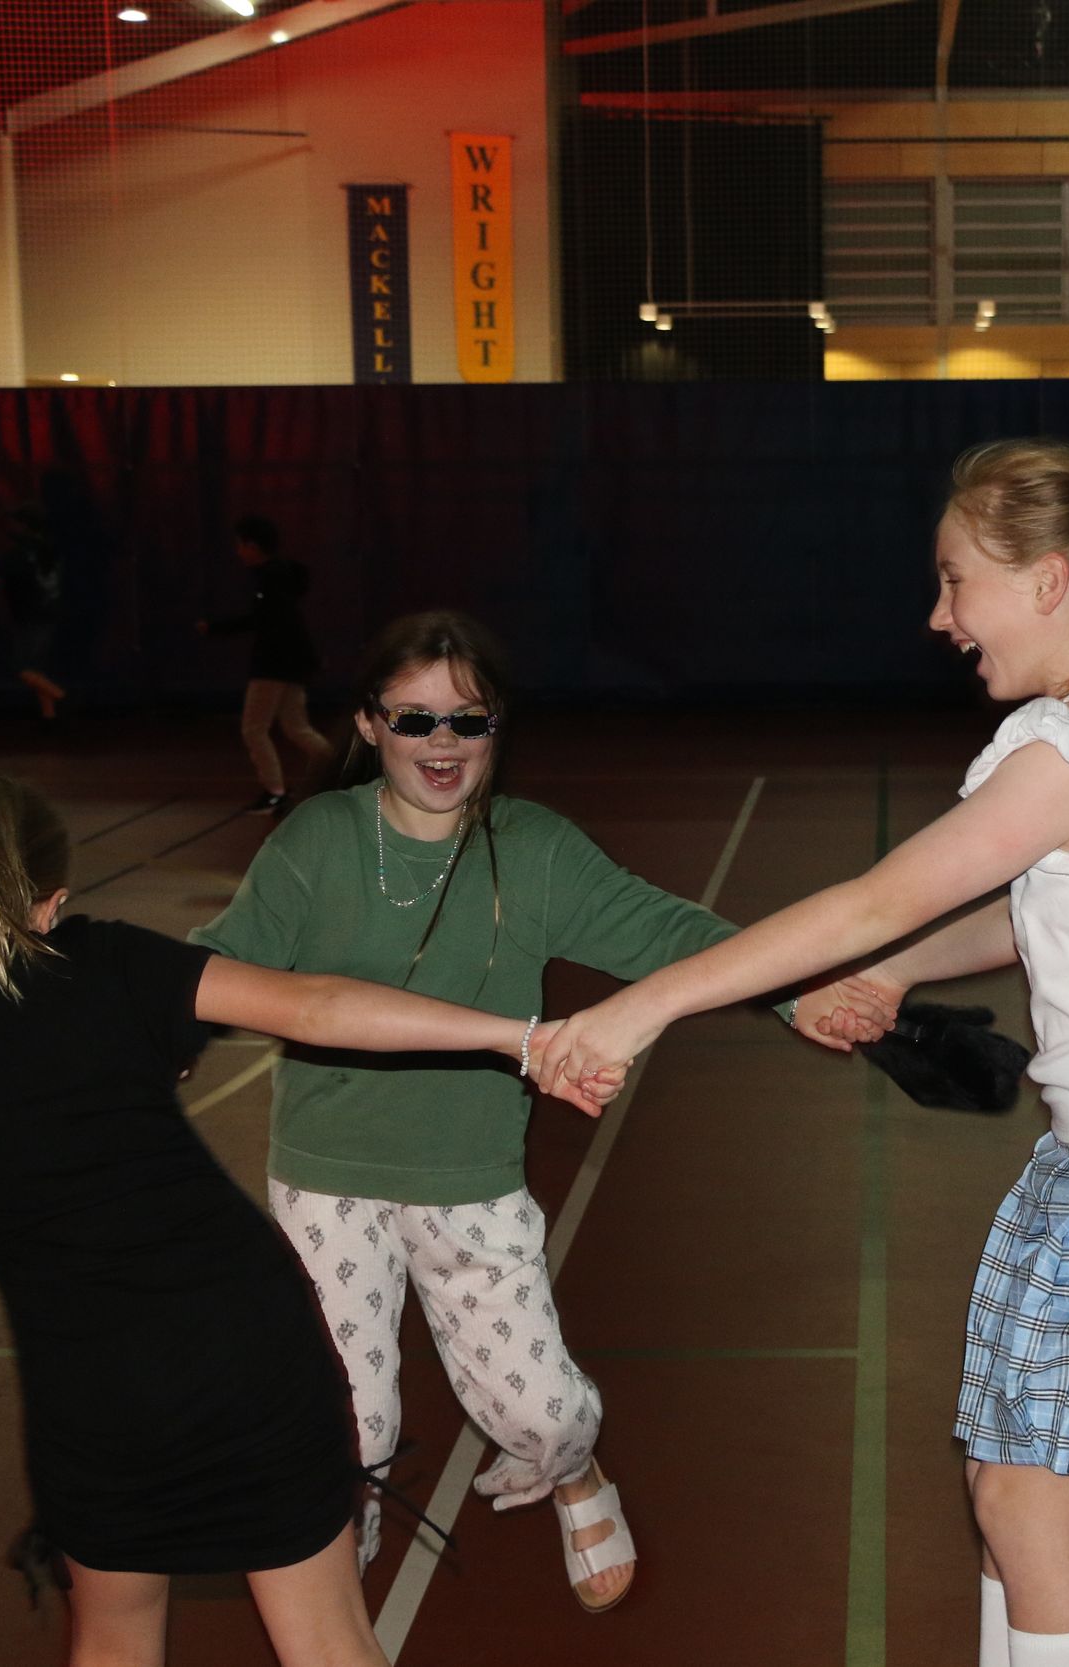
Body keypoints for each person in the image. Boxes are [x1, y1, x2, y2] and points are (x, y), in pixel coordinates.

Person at [537, 440, 1069, 1667]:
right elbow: (1036, 911)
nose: (938, 616)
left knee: (1024, 1498)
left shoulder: (1066, 746)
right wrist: (894, 975)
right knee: (1003, 1481)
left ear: (1047, 580)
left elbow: (869, 899)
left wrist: (640, 1009)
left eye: (956, 580)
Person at [0, 771, 616, 1667]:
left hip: (87, 1387)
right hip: (244, 1352)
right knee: (327, 1643)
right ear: (49, 905)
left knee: (112, 1640)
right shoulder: (105, 964)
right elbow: (317, 1005)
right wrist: (517, 1038)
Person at [189, 610, 795, 1611]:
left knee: (543, 1413)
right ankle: (338, 1584)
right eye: (414, 719)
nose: (442, 743)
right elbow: (223, 958)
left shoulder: (534, 849)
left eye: (467, 721)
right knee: (346, 1427)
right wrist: (140, 1022)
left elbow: (666, 931)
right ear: (369, 724)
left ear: (496, 728)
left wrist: (801, 985)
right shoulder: (318, 839)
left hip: (465, 1180)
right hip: (325, 1178)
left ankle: (574, 1470)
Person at [200, 514, 330, 816]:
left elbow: (268, 622)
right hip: (290, 664)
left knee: (254, 728)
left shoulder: (271, 580)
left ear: (253, 546)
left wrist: (217, 628)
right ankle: (345, 769)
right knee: (297, 727)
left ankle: (274, 792)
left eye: (240, 544)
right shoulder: (280, 577)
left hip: (274, 665)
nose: (238, 551)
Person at [2, 502, 68, 721]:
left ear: (25, 525)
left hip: (31, 616)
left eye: (15, 523)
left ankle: (61, 697)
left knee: (22, 667)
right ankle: (49, 715)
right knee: (37, 667)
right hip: (49, 613)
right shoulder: (51, 549)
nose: (10, 527)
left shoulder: (22, 553)